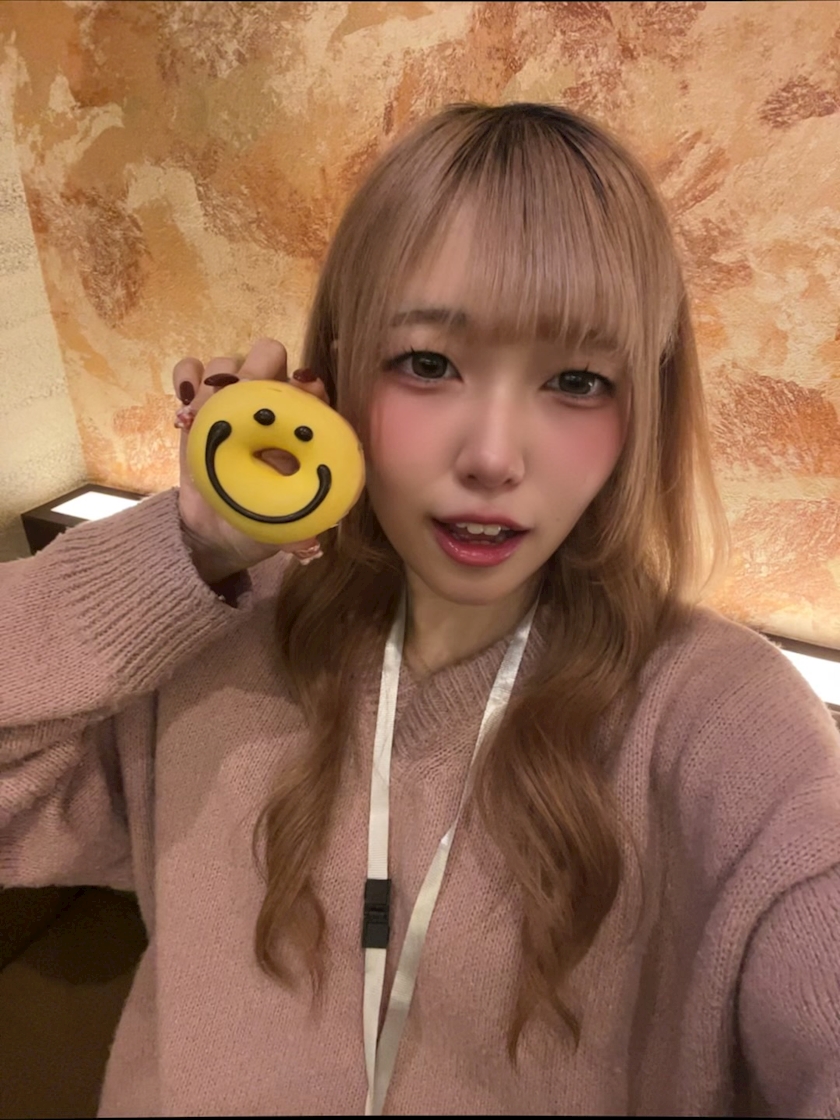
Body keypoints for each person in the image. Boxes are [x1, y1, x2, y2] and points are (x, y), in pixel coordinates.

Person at [2, 102, 839, 1117]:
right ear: (334, 377)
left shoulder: (724, 725)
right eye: (429, 364)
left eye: (577, 381)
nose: (492, 457)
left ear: (643, 411)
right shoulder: (205, 637)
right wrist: (188, 548)